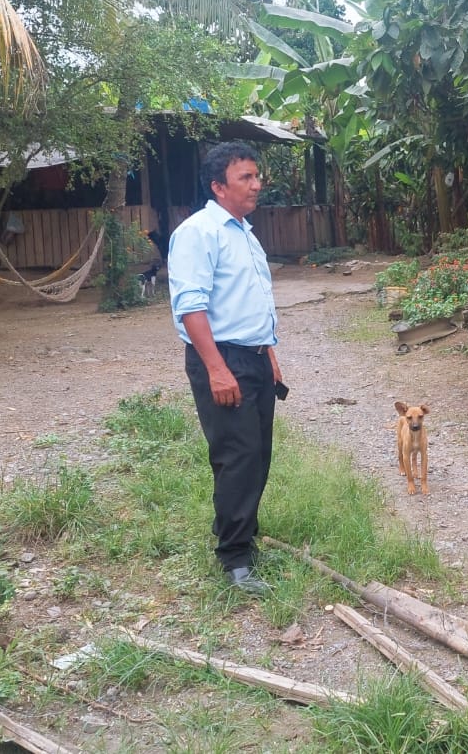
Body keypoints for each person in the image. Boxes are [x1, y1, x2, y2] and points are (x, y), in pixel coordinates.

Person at [169, 142, 284, 596]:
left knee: (257, 454)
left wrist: (270, 357)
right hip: (221, 358)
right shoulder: (199, 233)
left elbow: (253, 303)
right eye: (246, 178)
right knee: (238, 455)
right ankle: (235, 560)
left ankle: (239, 533)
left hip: (253, 357)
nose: (257, 185)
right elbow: (190, 308)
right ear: (219, 187)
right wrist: (217, 370)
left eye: (257, 176)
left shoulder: (244, 233)